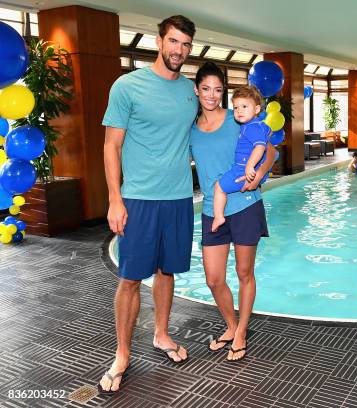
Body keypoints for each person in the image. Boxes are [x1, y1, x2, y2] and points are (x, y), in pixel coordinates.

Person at [100, 15, 197, 393]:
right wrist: (115, 198)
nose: (179, 50)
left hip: (178, 199)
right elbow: (112, 144)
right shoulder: (128, 86)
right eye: (173, 41)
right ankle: (122, 354)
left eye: (186, 44)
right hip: (138, 198)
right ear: (159, 42)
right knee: (129, 279)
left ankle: (161, 334)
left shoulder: (190, 91)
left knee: (167, 272)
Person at [190, 61, 276, 362]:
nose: (212, 96)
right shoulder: (191, 129)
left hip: (245, 207)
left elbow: (270, 150)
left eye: (218, 90)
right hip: (213, 210)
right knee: (213, 278)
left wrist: (258, 176)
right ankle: (231, 325)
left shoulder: (237, 118)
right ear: (196, 90)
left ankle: (241, 333)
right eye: (206, 89)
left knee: (243, 273)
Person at [212, 86, 270, 232]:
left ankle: (219, 216)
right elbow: (268, 133)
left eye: (244, 106)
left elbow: (260, 147)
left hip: (242, 171)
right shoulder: (257, 125)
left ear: (257, 109)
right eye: (236, 107)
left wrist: (250, 167)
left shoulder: (251, 127)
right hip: (250, 171)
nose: (239, 111)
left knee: (219, 187)